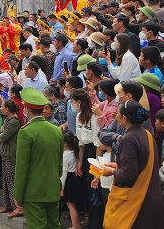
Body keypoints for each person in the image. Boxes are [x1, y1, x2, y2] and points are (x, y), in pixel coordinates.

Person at [100, 100, 164, 229]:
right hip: (151, 195)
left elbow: (128, 174)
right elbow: (139, 164)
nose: (116, 115)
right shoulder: (146, 134)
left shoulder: (128, 139)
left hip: (137, 200)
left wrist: (111, 171)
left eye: (117, 113)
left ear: (124, 118)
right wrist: (117, 166)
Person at [13, 87, 63, 229]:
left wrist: (18, 194)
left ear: (27, 109)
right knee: (54, 226)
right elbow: (59, 163)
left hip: (33, 192)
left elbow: (22, 166)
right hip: (52, 189)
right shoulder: (56, 130)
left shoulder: (26, 132)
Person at [72, 88, 103, 228]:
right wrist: (79, 161)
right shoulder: (79, 116)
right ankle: (90, 218)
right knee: (87, 189)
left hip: (95, 153)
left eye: (73, 101)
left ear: (79, 102)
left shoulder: (94, 117)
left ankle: (97, 222)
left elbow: (97, 142)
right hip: (85, 154)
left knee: (94, 188)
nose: (72, 104)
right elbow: (81, 142)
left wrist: (96, 166)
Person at [0, 99, 21, 217]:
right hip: (5, 153)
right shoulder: (7, 119)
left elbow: (3, 137)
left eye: (2, 106)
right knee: (6, 181)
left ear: (7, 109)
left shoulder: (14, 122)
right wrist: (1, 132)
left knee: (11, 181)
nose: (1, 108)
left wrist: (1, 132)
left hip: (11, 155)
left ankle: (17, 206)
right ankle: (8, 203)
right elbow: (1, 133)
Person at [61, 131, 84, 229]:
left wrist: (61, 188)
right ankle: (76, 225)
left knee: (70, 205)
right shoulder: (75, 152)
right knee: (74, 204)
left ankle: (75, 226)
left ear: (65, 143)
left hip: (69, 182)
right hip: (75, 180)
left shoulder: (65, 156)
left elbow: (64, 174)